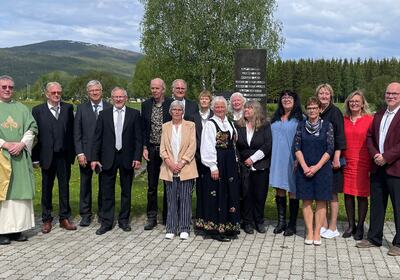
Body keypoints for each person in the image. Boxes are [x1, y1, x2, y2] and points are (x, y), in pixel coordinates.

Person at [91, 87, 142, 235]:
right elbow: (97, 138)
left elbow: (138, 138)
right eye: (116, 97)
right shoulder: (103, 115)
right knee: (107, 191)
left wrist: (137, 157)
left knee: (126, 191)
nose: (118, 99)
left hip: (127, 157)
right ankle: (106, 222)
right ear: (111, 98)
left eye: (121, 97)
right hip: (108, 158)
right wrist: (94, 158)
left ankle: (124, 220)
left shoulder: (134, 114)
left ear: (126, 98)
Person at [357, 82, 400, 256]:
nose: (390, 96)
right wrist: (376, 155)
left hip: (396, 168)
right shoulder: (380, 113)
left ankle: (399, 243)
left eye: (394, 94)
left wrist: (386, 157)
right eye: (388, 93)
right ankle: (374, 237)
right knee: (377, 204)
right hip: (377, 167)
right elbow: (370, 137)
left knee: (398, 206)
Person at [32, 82, 77, 234]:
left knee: (64, 187)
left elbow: (72, 132)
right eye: (53, 93)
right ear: (47, 94)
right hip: (46, 156)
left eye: (59, 92)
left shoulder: (68, 108)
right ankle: (46, 219)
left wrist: (74, 154)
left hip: (64, 156)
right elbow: (35, 136)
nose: (57, 95)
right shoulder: (38, 111)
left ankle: (64, 217)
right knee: (46, 188)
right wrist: (35, 158)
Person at [0, 75, 38, 245]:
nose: (7, 90)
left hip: (19, 157)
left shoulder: (22, 108)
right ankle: (2, 231)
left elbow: (32, 127)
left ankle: (17, 229)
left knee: (19, 194)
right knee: (4, 194)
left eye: (10, 87)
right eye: (4, 87)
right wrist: (5, 144)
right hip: (2, 157)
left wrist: (22, 144)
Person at [199, 96, 241, 242]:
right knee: (218, 194)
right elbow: (207, 146)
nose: (220, 109)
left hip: (229, 163)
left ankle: (229, 226)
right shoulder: (210, 124)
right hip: (218, 162)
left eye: (222, 106)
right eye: (217, 107)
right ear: (213, 108)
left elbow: (233, 142)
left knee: (229, 193)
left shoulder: (228, 122)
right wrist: (212, 166)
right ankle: (216, 229)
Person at [294, 97, 334, 246]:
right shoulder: (301, 125)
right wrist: (305, 167)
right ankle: (309, 231)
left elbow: (330, 149)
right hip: (304, 169)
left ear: (319, 110)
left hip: (322, 169)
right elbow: (297, 148)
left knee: (322, 201)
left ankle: (318, 231)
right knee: (307, 201)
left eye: (314, 108)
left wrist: (316, 167)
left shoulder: (327, 126)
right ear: (306, 110)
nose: (312, 110)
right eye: (309, 108)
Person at [74, 80, 112, 226]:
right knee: (85, 185)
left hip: (105, 154)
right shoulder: (81, 108)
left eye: (97, 90)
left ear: (102, 91)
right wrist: (80, 153)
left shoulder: (109, 107)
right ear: (87, 93)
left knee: (105, 185)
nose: (95, 93)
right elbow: (77, 133)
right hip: (86, 154)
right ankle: (85, 214)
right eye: (92, 91)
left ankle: (103, 213)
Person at [159, 101, 198, 240]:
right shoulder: (165, 127)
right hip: (169, 169)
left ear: (183, 112)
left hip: (186, 168)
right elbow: (162, 148)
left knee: (185, 199)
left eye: (179, 109)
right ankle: (171, 227)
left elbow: (192, 146)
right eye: (174, 109)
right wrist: (169, 162)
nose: (176, 112)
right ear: (170, 112)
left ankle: (184, 228)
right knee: (171, 199)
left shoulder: (190, 126)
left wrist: (181, 162)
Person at [270, 90, 304, 236]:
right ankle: (281, 222)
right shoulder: (275, 118)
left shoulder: (300, 119)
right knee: (279, 188)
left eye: (290, 97)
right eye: (284, 97)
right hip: (277, 158)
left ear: (295, 100)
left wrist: (300, 159)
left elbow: (304, 140)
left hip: (293, 159)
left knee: (293, 190)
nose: (286, 99)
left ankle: (292, 224)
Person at [235, 101, 272, 234]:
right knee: (246, 194)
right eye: (246, 108)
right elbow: (236, 146)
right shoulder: (238, 125)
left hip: (261, 166)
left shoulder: (265, 125)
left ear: (256, 110)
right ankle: (247, 222)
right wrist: (241, 160)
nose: (246, 110)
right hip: (243, 166)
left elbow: (268, 145)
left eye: (250, 108)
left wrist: (253, 159)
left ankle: (259, 221)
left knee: (260, 195)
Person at [141, 78, 173, 230]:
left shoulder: (171, 104)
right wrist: (144, 147)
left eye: (157, 88)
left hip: (167, 150)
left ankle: (168, 215)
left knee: (168, 183)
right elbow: (143, 129)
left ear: (163, 89)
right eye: (152, 88)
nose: (154, 91)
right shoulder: (146, 105)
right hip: (152, 148)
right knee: (152, 185)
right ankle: (151, 216)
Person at [315, 83, 346, 239]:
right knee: (322, 192)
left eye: (327, 93)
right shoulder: (316, 110)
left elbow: (340, 136)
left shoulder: (335, 112)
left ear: (331, 95)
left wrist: (336, 157)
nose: (324, 96)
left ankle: (333, 226)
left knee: (332, 193)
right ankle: (324, 224)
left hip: (332, 158)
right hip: (318, 158)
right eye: (321, 93)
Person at [342, 90, 373, 240]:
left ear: (362, 103)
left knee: (361, 196)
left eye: (357, 101)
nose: (354, 103)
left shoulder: (369, 120)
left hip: (364, 162)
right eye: (351, 101)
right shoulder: (344, 120)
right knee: (348, 195)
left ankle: (360, 226)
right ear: (348, 103)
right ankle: (350, 225)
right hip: (347, 162)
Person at [192, 90, 213, 230]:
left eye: (207, 99)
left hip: (212, 157)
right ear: (199, 101)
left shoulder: (215, 116)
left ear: (210, 101)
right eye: (202, 99)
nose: (204, 101)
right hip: (197, 156)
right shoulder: (192, 117)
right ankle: (200, 215)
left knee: (211, 186)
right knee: (199, 187)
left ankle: (211, 215)